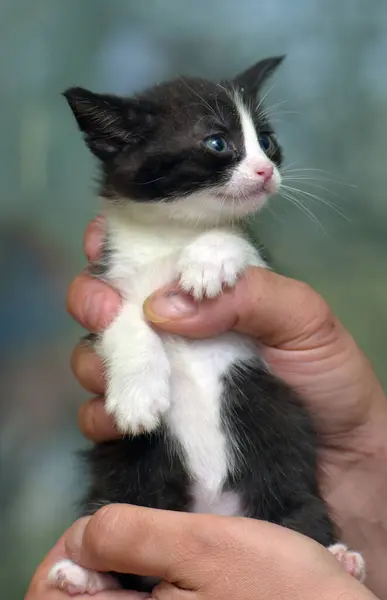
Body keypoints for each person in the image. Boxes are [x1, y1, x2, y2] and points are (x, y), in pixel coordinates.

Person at [26, 217, 387, 600]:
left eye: (268, 150)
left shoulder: (229, 248)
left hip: (263, 491)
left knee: (279, 482)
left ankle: (319, 547)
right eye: (219, 150)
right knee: (130, 473)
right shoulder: (127, 252)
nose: (265, 168)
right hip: (165, 484)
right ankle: (112, 573)